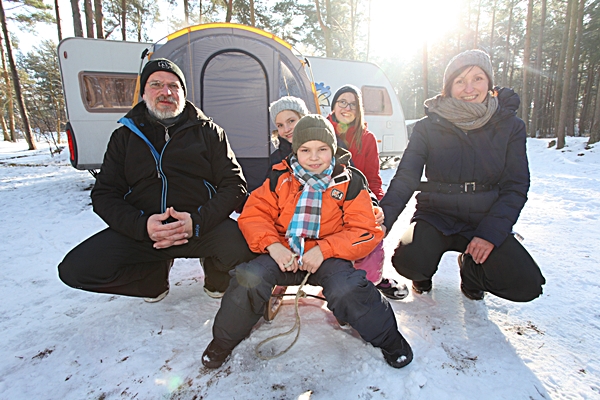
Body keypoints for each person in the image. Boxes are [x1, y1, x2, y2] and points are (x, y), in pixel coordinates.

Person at [201, 115, 413, 369]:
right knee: (248, 278)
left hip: (328, 257)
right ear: (295, 150)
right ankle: (223, 341)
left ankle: (389, 339)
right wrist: (273, 246)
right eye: (305, 150)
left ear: (332, 150)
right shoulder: (279, 177)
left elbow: (365, 230)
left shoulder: (349, 182)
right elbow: (254, 214)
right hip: (284, 253)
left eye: (322, 149)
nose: (314, 157)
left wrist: (325, 249)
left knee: (348, 288)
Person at [58, 58, 256, 302]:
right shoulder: (124, 137)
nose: (166, 92)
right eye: (156, 84)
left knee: (251, 250)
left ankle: (216, 272)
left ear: (183, 93)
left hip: (200, 227)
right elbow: (104, 194)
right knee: (76, 270)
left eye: (174, 86)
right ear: (143, 93)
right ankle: (151, 278)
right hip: (145, 232)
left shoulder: (209, 132)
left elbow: (234, 185)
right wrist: (142, 227)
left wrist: (197, 221)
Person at [380, 49, 545, 302]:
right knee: (409, 260)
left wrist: (490, 234)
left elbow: (515, 186)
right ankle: (421, 275)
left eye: (477, 78)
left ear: (489, 84)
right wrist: (382, 223)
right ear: (448, 88)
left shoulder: (510, 127)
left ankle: (471, 273)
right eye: (460, 81)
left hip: (484, 216)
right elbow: (406, 178)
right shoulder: (428, 127)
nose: (469, 88)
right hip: (435, 214)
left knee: (525, 285)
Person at [327, 85, 409, 300]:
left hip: (359, 201)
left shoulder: (367, 138)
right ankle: (334, 278)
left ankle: (369, 281)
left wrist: (377, 204)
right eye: (342, 102)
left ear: (359, 109)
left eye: (353, 104)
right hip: (328, 200)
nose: (347, 107)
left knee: (371, 235)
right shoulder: (323, 132)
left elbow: (373, 178)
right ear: (333, 106)